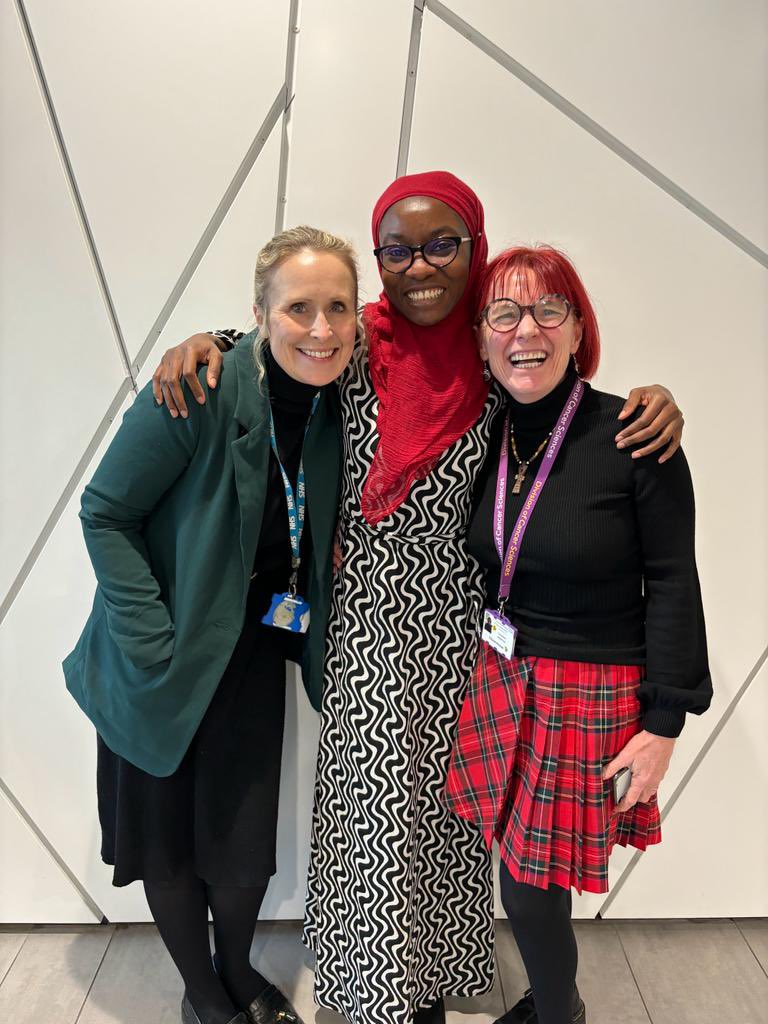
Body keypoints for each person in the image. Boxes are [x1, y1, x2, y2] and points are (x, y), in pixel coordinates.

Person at [149, 172, 686, 1024]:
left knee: (446, 830)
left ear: (473, 247)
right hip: (364, 631)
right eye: (396, 251)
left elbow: (565, 410)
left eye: (443, 245)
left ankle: (424, 989)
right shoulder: (358, 342)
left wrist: (655, 400)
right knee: (372, 827)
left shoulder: (489, 349)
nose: (420, 266)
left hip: (466, 636)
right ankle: (375, 999)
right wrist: (206, 340)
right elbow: (288, 339)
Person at [64, 226, 361, 1024]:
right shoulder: (195, 389)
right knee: (165, 843)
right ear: (261, 312)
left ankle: (236, 968)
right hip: (157, 653)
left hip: (252, 651)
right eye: (299, 307)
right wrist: (153, 641)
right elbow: (105, 513)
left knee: (238, 851)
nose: (322, 328)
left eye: (339, 306)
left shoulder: (344, 397)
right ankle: (206, 998)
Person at [444, 245, 711, 1024]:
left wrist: (664, 724)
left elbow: (673, 581)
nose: (525, 329)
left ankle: (559, 1013)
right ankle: (554, 1003)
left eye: (546, 309)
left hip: (590, 694)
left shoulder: (634, 435)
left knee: (527, 888)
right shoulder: (486, 433)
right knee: (528, 878)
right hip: (503, 678)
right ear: (483, 334)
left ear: (577, 327)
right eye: (504, 312)